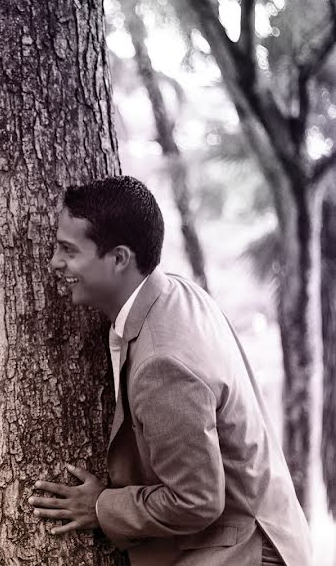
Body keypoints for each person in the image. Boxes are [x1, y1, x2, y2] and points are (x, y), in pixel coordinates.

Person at [27, 176, 311, 565]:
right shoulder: (176, 291)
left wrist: (102, 507)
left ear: (119, 258)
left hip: (244, 554)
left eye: (68, 250)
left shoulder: (162, 364)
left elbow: (196, 499)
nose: (54, 263)